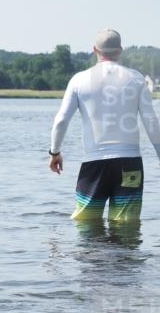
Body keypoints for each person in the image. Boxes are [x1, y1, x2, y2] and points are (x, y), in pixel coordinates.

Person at [49, 29, 160, 222]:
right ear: (120, 50)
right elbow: (150, 121)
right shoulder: (136, 79)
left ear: (94, 49)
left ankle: (91, 252)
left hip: (94, 163)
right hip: (130, 162)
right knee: (126, 226)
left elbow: (61, 120)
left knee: (86, 224)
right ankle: (124, 253)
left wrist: (55, 152)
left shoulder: (79, 80)